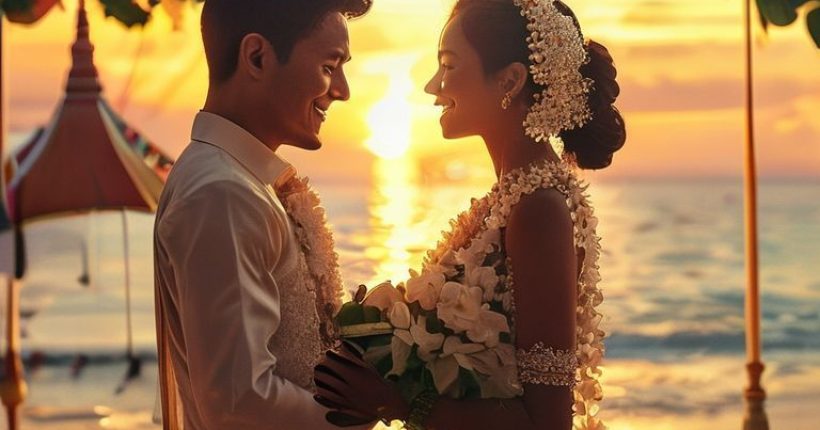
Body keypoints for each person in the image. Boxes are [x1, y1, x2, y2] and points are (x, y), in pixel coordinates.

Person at [314, 0, 625, 429]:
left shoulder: (539, 209)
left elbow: (549, 421)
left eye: (448, 65)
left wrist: (399, 403)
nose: (432, 85)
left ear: (510, 81)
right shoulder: (511, 198)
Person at [153, 1, 373, 429]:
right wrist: (358, 414)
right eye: (330, 66)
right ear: (257, 56)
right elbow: (238, 402)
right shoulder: (222, 192)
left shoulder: (236, 181)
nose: (343, 90)